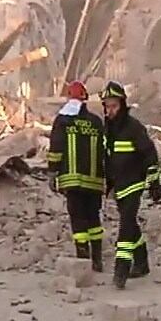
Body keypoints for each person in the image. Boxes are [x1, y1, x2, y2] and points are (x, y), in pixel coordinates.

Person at [100, 80, 161, 289]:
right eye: (107, 106)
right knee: (131, 224)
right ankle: (142, 262)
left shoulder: (133, 127)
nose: (110, 111)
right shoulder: (108, 129)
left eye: (114, 106)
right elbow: (108, 157)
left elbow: (150, 154)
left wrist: (154, 182)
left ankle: (122, 269)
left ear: (123, 105)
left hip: (134, 183)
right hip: (119, 184)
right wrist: (108, 182)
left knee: (126, 225)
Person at [47, 80, 105, 272]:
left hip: (72, 181)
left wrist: (52, 172)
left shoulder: (63, 120)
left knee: (78, 219)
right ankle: (97, 259)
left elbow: (56, 148)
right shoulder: (96, 122)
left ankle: (83, 258)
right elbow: (105, 151)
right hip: (94, 181)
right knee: (94, 219)